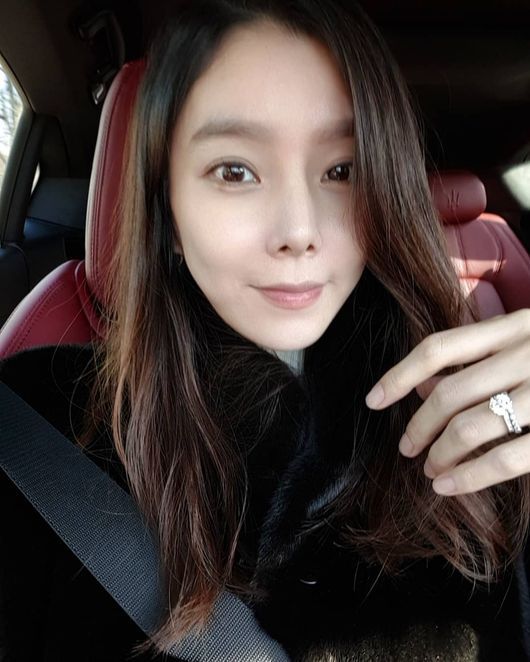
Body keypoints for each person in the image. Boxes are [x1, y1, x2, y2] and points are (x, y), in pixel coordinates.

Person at [1, 0, 530, 659]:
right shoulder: (33, 430)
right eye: (235, 171)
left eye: (343, 170)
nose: (299, 232)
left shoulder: (478, 404)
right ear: (168, 208)